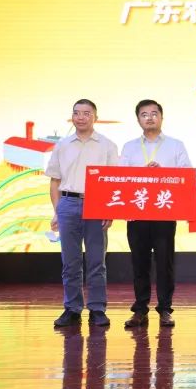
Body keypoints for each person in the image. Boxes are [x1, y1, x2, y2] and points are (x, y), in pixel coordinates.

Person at [46, 98, 119, 328]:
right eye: (77, 113)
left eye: (86, 113)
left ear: (95, 117)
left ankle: (97, 309)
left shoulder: (107, 145)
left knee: (97, 261)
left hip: (97, 205)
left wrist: (109, 209)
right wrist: (57, 211)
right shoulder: (62, 145)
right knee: (70, 262)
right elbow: (55, 181)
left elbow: (113, 182)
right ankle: (72, 308)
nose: (81, 117)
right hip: (68, 203)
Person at [119, 99, 192, 329]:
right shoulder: (129, 147)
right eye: (144, 114)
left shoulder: (176, 145)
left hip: (164, 213)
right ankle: (140, 309)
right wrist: (142, 174)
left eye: (153, 113)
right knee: (139, 263)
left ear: (161, 117)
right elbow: (120, 178)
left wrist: (163, 173)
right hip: (137, 213)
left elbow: (187, 175)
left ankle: (165, 309)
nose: (149, 118)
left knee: (164, 263)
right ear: (138, 119)